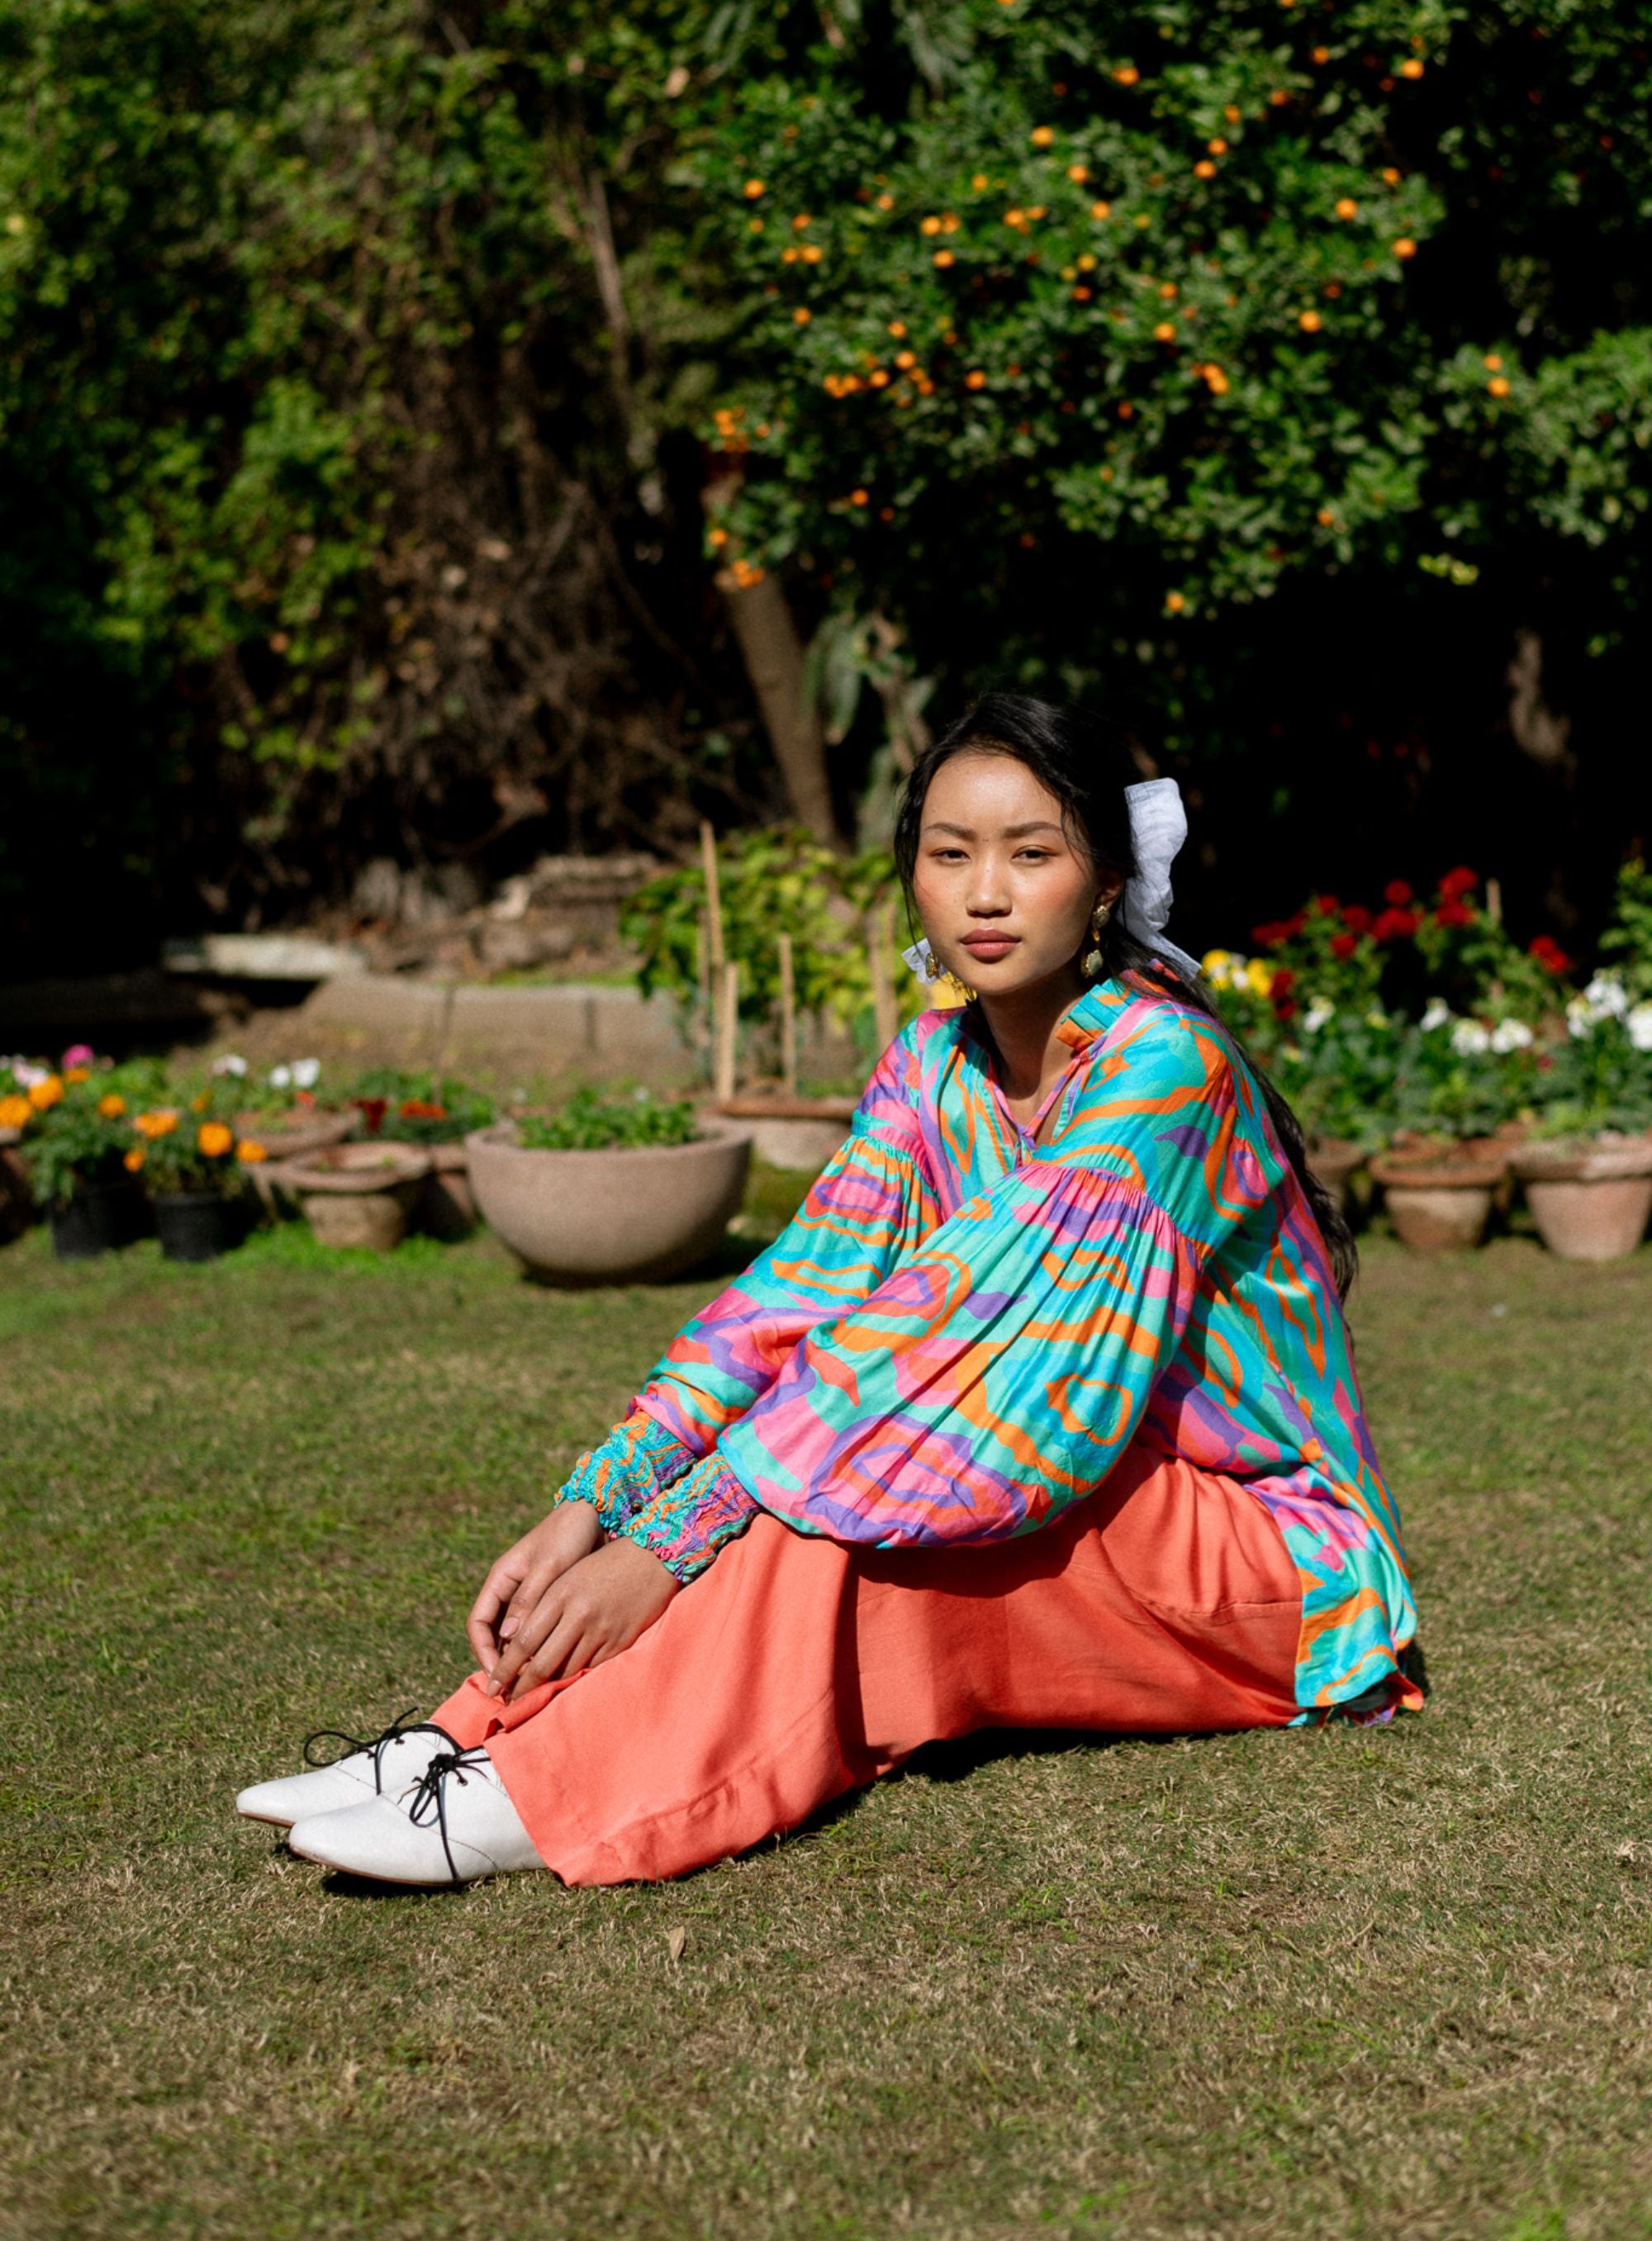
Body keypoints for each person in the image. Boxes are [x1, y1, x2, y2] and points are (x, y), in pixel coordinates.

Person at [237, 694, 1419, 1888]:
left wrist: (675, 1542)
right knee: (838, 1466)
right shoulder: (927, 1066)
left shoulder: (1166, 1066)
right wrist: (596, 1504)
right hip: (1101, 1502)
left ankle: (556, 1786)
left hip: (1273, 1575)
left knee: (848, 1504)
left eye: (1032, 853)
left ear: (1107, 881)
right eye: (949, 854)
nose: (987, 893)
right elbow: (793, 1298)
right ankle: (468, 1734)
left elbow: (969, 1344)